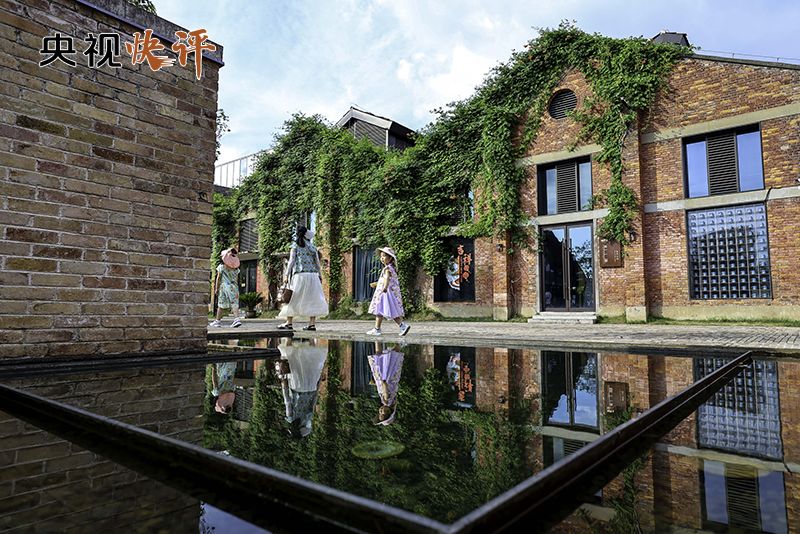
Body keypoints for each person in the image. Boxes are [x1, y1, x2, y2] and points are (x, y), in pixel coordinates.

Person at [278, 226, 328, 331]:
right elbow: (317, 263)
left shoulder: (295, 246)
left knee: (294, 298)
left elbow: (291, 261)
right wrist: (320, 275)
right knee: (313, 298)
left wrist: (286, 275)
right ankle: (312, 324)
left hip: (300, 275)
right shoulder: (312, 247)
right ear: (305, 234)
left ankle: (289, 323)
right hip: (313, 276)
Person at [275, 338, 328, 438]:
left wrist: (318, 383)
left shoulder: (306, 421)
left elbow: (313, 401)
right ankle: (290, 339)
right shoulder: (293, 419)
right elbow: (287, 401)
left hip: (309, 387)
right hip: (298, 387)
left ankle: (311, 340)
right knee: (294, 362)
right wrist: (284, 384)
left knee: (311, 365)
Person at [366, 247, 410, 336]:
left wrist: (385, 287)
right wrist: (377, 284)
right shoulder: (391, 268)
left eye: (384, 256)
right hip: (388, 293)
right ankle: (379, 328)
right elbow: (387, 280)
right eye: (381, 256)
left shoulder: (387, 269)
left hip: (385, 293)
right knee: (383, 310)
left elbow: (387, 279)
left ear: (390, 258)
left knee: (381, 309)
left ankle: (400, 326)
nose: (382, 258)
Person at [368, 342, 404, 425]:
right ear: (388, 411)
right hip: (386, 377)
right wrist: (381, 381)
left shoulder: (392, 402)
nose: (380, 411)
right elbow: (385, 389)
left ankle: (399, 342)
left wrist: (376, 384)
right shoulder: (386, 402)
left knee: (393, 358)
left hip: (392, 378)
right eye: (382, 413)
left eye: (379, 413)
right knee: (378, 357)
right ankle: (377, 339)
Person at [210, 248, 242, 328]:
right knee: (231, 303)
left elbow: (218, 278)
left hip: (224, 287)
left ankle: (236, 319)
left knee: (222, 303)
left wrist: (216, 288)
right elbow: (237, 279)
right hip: (234, 286)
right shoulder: (236, 269)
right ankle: (218, 321)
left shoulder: (222, 267)